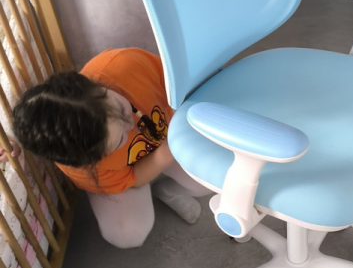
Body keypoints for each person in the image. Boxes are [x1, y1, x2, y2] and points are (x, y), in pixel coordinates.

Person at [1, 48, 209, 248]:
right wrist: (163, 155)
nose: (131, 125)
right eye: (119, 140)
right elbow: (134, 178)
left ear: (95, 85)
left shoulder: (124, 65)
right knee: (128, 233)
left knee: (209, 179)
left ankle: (168, 190)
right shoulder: (85, 170)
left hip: (167, 133)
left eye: (121, 107)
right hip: (143, 161)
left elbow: (181, 83)